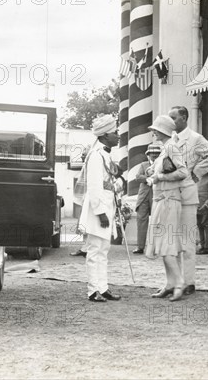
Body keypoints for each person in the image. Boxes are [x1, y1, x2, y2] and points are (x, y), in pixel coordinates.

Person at [168, 106, 208, 295]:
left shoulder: (195, 138)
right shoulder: (170, 138)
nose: (171, 121)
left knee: (188, 239)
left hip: (188, 193)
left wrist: (195, 171)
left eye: (173, 117)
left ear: (184, 118)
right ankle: (176, 281)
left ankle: (189, 281)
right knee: (173, 239)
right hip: (170, 193)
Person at [77, 115, 123, 302]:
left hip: (107, 206)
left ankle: (103, 288)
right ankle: (92, 290)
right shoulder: (96, 155)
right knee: (95, 250)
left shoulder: (105, 153)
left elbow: (108, 183)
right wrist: (100, 212)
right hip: (99, 210)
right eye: (115, 133)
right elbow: (94, 186)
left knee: (103, 250)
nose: (118, 136)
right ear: (104, 136)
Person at [145, 115, 189, 302]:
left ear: (162, 130)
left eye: (155, 129)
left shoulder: (171, 146)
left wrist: (159, 177)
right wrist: (152, 172)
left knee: (167, 245)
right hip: (161, 200)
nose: (153, 132)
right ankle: (170, 284)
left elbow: (183, 172)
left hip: (169, 201)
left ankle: (179, 283)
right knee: (163, 245)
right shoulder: (165, 148)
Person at [133, 143, 162, 254]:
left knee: (157, 221)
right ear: (148, 155)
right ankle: (140, 246)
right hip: (144, 195)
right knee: (141, 220)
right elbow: (138, 177)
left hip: (157, 194)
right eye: (152, 154)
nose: (154, 156)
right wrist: (148, 179)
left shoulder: (162, 165)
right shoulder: (143, 165)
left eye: (156, 154)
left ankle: (155, 247)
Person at [196, 171, 208, 253]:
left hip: (205, 207)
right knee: (199, 226)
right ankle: (202, 245)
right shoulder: (197, 180)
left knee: (206, 226)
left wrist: (205, 205)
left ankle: (207, 246)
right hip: (197, 207)